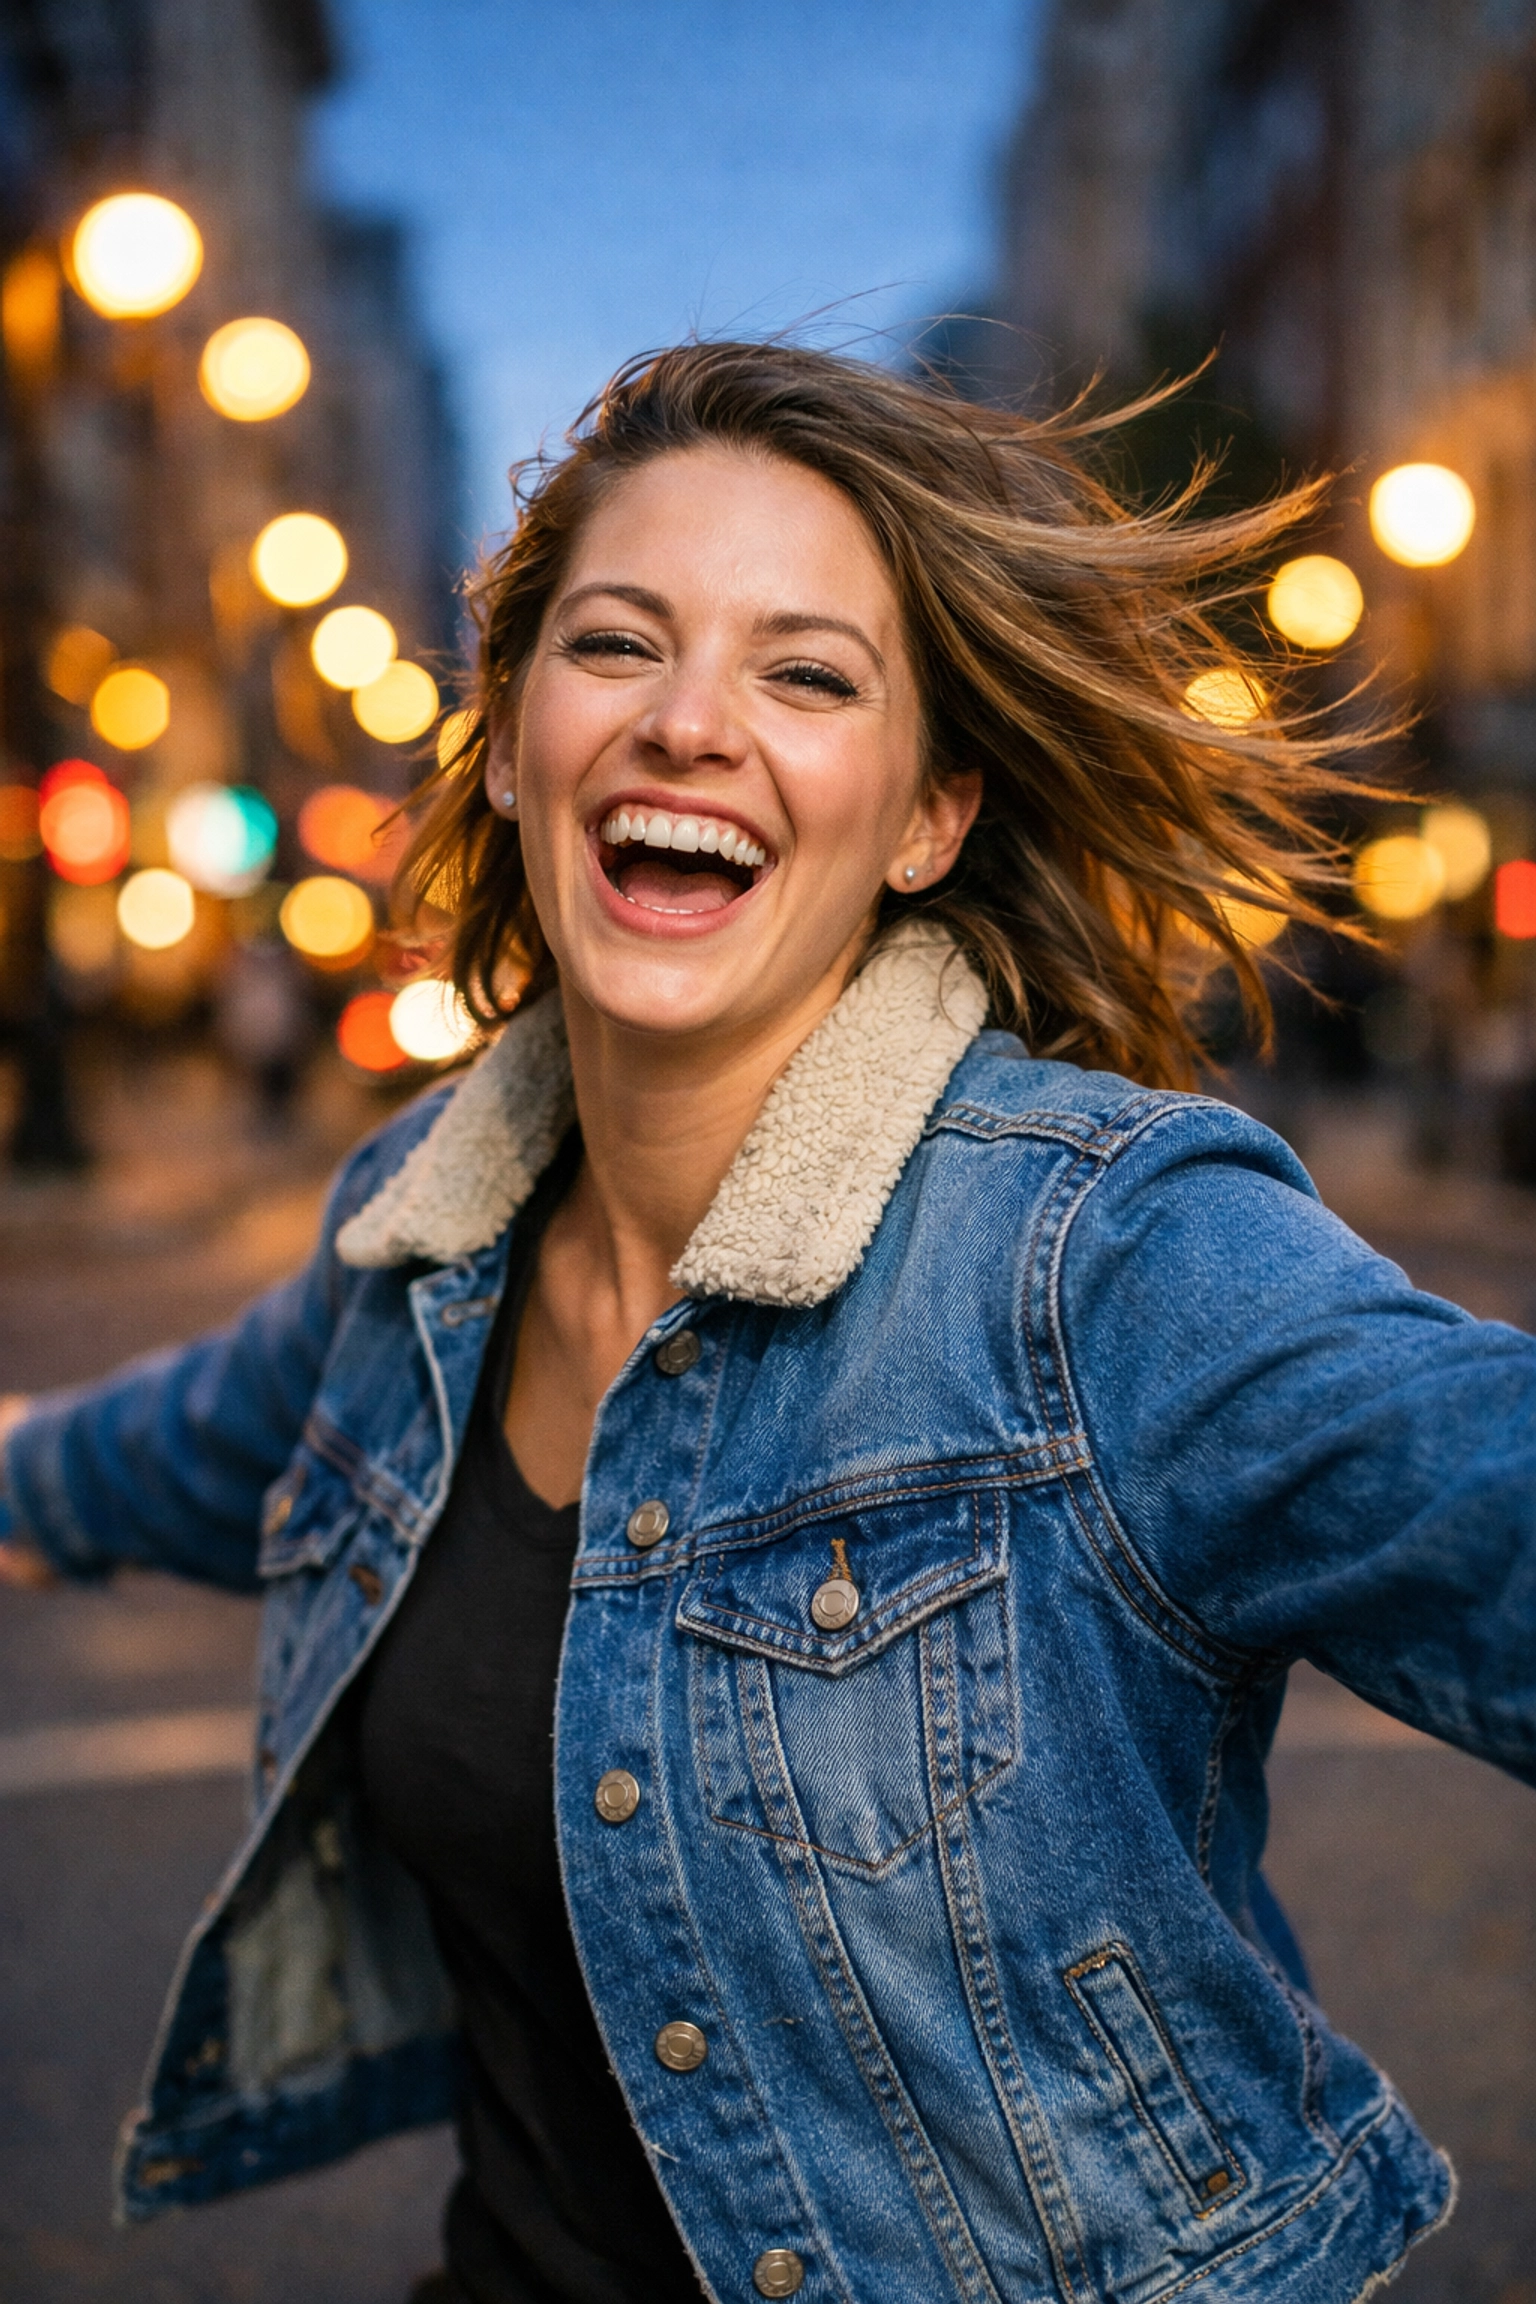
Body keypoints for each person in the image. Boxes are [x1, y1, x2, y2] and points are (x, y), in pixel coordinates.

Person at [1, 340, 1531, 2304]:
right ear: (514, 731)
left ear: (925, 818)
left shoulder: (1103, 1260)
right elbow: (180, 1450)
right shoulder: (416, 1239)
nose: (688, 726)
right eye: (616, 645)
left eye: (808, 676)